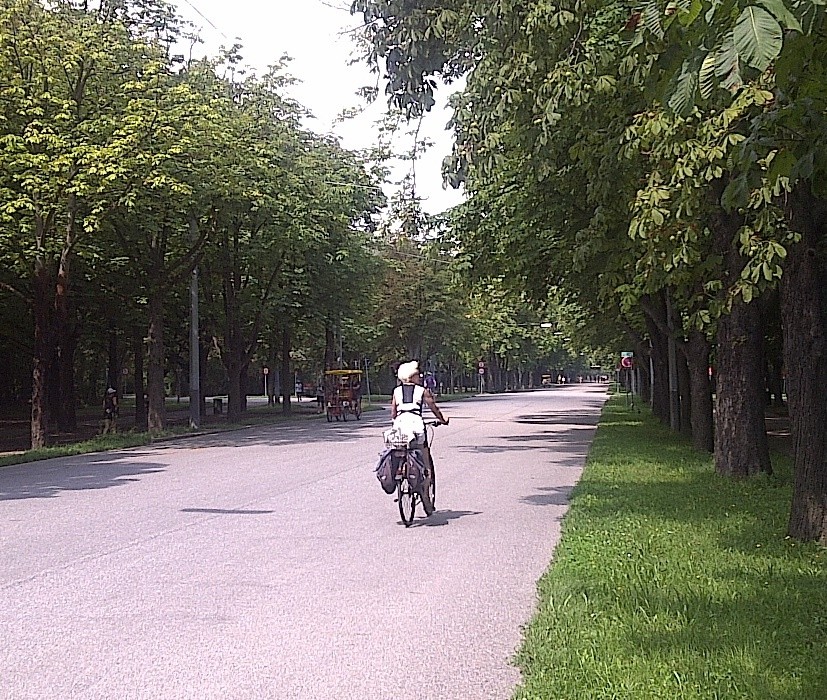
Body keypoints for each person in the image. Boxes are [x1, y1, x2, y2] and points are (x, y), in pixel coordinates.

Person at [390, 361, 448, 476]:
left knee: (400, 447)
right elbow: (434, 408)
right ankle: (426, 482)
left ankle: (400, 469)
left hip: (400, 425)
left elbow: (393, 413)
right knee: (424, 450)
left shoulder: (396, 391)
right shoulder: (422, 390)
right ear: (410, 377)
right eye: (417, 374)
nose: (420, 377)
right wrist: (443, 420)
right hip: (416, 424)